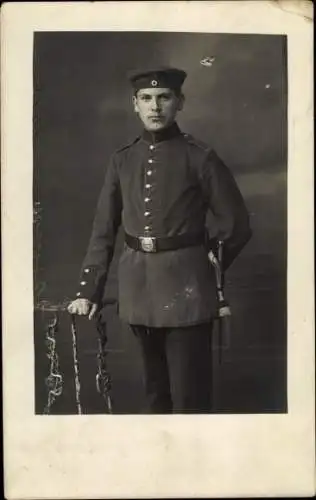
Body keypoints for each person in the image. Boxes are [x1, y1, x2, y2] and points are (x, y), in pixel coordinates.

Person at [68, 67, 252, 414]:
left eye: (164, 98)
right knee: (154, 397)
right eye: (146, 99)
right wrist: (88, 289)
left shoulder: (200, 157)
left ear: (179, 103)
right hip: (138, 292)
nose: (155, 107)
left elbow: (236, 224)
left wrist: (206, 265)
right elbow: (104, 229)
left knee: (189, 400)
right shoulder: (122, 159)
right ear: (134, 104)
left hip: (188, 292)